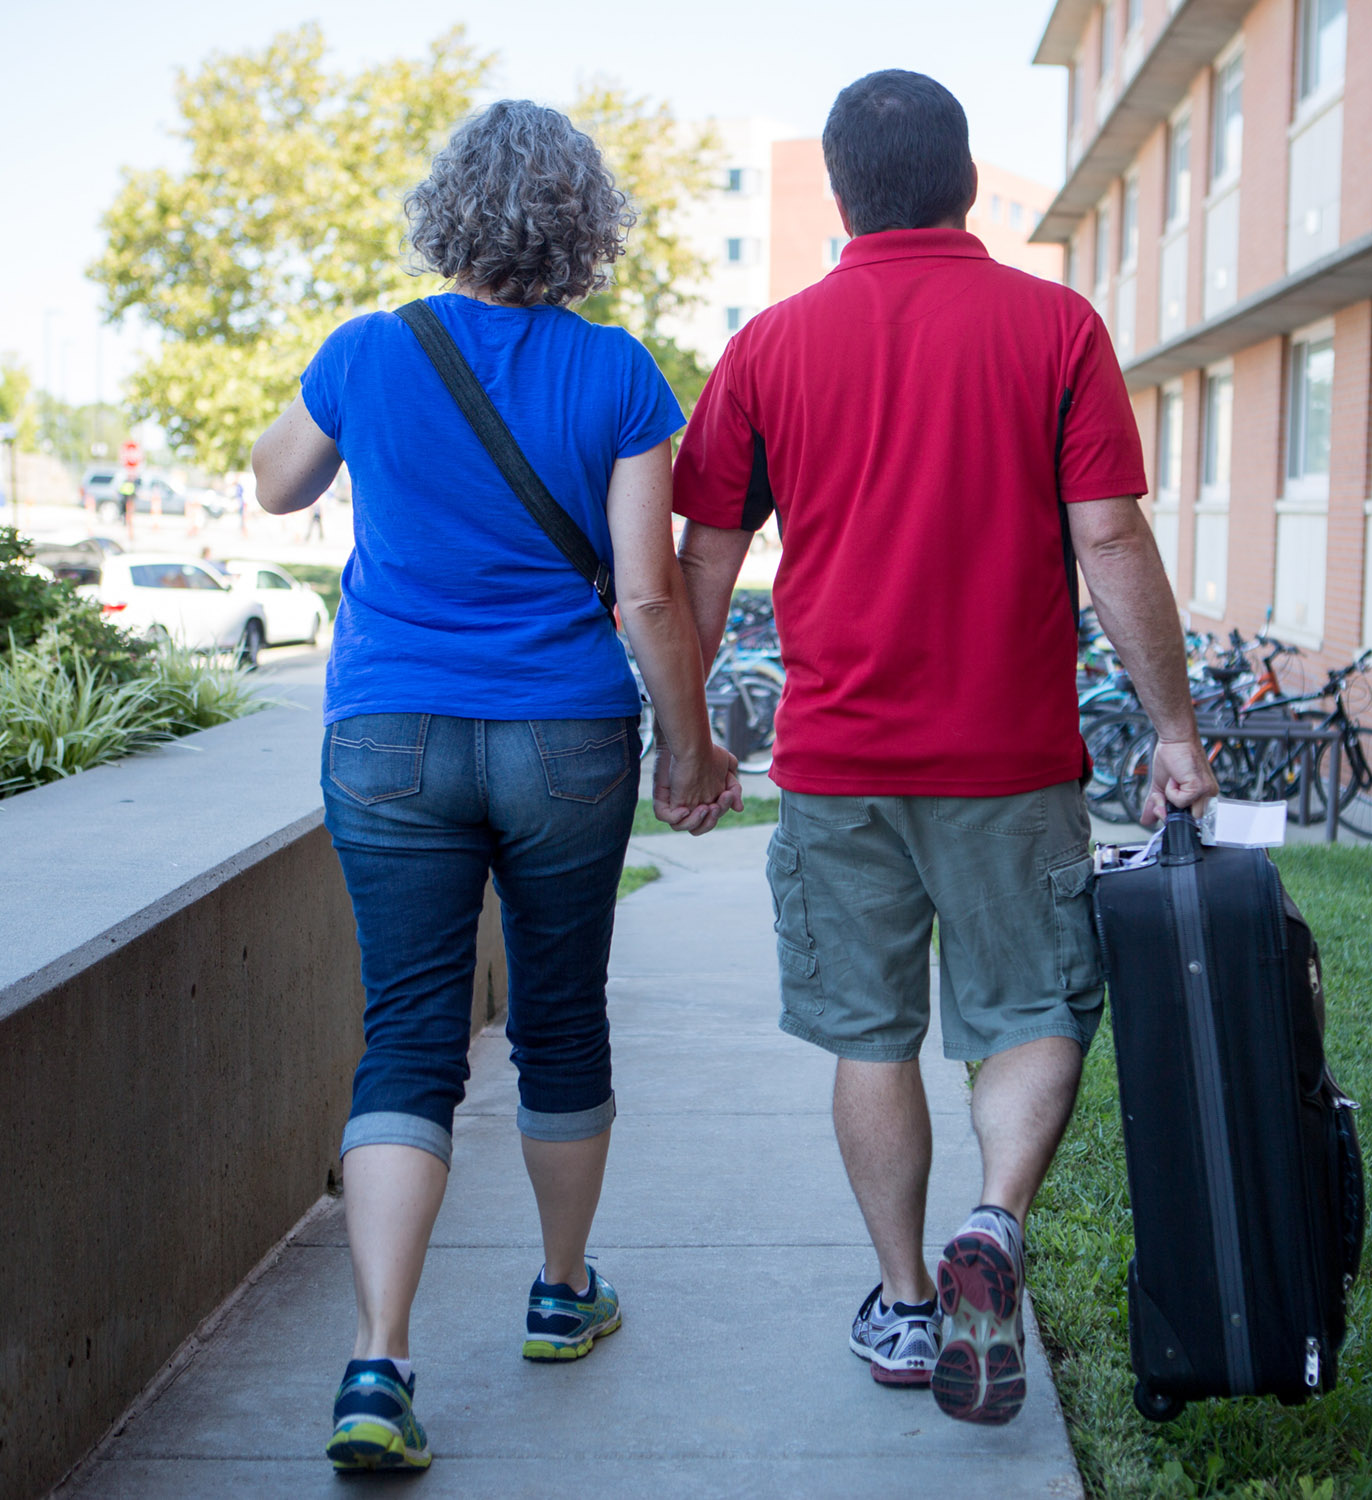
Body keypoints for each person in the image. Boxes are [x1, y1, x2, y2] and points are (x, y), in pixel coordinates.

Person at [673, 70, 1217, 1426]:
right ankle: (994, 1220)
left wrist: (686, 736)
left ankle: (909, 1305)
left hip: (839, 758)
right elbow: (1107, 539)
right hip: (1009, 760)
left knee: (871, 1034)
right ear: (967, 181)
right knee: (1030, 1010)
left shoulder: (768, 346)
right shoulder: (1055, 326)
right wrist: (1173, 729)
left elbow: (707, 558)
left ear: (844, 195)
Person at [250, 98, 741, 1473]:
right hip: (565, 739)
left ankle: (378, 1360)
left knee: (407, 1034)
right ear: (586, 227)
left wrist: (351, 418)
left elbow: (277, 484)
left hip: (389, 732)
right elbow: (647, 595)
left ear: (444, 211)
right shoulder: (619, 372)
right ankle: (559, 1293)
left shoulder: (367, 350)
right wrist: (692, 751)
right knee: (557, 1017)